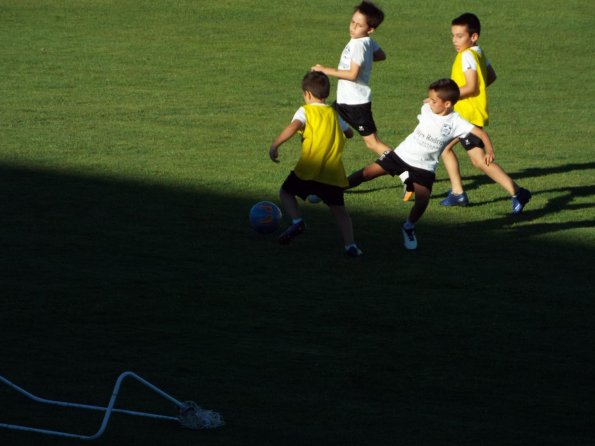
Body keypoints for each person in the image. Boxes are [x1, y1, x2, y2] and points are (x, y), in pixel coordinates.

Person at [348, 79, 498, 250]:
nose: (430, 102)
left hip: (424, 167)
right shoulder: (428, 108)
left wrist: (489, 151)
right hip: (401, 156)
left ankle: (409, 226)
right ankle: (336, 188)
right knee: (367, 173)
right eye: (430, 99)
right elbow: (430, 101)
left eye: (434, 101)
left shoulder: (457, 122)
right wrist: (431, 99)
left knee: (422, 199)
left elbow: (480, 133)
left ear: (447, 104)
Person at [439, 12, 531, 213]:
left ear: (473, 37)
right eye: (453, 35)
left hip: (467, 116)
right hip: (468, 113)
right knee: (457, 152)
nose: (455, 40)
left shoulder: (466, 56)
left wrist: (443, 97)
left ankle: (515, 192)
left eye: (460, 36)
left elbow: (471, 86)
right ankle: (459, 193)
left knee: (470, 157)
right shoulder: (478, 53)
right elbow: (491, 76)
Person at [269, 71, 363, 257]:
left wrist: (275, 144)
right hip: (333, 173)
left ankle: (297, 222)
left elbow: (294, 126)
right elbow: (350, 133)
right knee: (340, 211)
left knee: (286, 192)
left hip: (308, 169)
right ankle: (350, 245)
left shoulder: (305, 111)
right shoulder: (334, 113)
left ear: (308, 94)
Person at [311, 1, 390, 157]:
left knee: (372, 143)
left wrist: (325, 70)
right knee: (326, 123)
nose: (353, 27)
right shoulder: (366, 41)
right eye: (352, 22)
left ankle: (406, 170)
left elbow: (352, 75)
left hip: (355, 104)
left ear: (370, 29)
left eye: (359, 25)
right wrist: (365, 59)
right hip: (344, 101)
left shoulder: (358, 45)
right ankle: (324, 164)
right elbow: (381, 55)